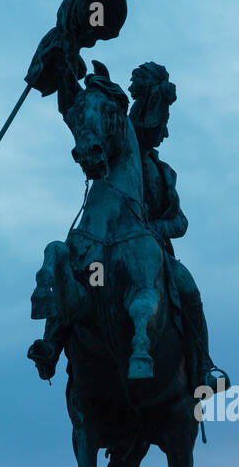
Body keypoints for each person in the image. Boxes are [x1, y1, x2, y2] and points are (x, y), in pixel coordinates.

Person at [29, 62, 228, 392]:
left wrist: (151, 229)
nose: (162, 133)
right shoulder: (115, 160)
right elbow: (76, 109)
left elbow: (180, 221)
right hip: (102, 241)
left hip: (149, 253)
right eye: (159, 126)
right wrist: (65, 58)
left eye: (163, 128)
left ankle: (204, 365)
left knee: (188, 287)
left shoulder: (164, 175)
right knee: (73, 269)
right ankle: (51, 343)